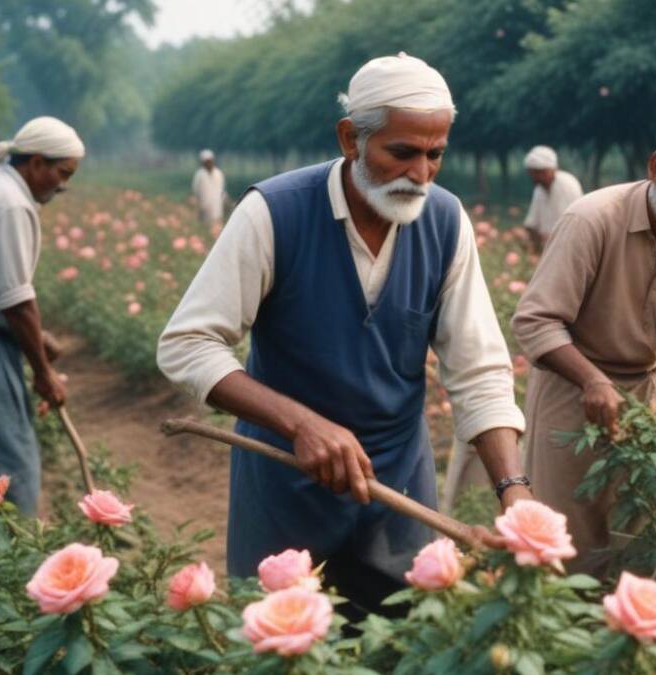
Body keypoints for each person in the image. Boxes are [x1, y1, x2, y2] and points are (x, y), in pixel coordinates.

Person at [157, 53, 530, 618]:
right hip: (287, 483)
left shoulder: (445, 222)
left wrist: (513, 489)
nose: (421, 173)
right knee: (287, 638)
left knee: (402, 638)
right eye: (402, 153)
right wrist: (300, 424)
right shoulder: (274, 213)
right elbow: (187, 344)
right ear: (351, 138)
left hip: (398, 489)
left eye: (435, 155)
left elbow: (478, 370)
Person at [511, 120, 656, 574]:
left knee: (638, 529)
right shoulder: (592, 218)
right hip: (570, 387)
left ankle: (622, 615)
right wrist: (592, 380)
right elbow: (536, 320)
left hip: (645, 390)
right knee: (565, 531)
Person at [0, 116, 84, 515]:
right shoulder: (10, 204)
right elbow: (15, 301)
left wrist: (36, 338)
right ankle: (0, 549)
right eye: (63, 173)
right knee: (3, 467)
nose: (63, 186)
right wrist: (43, 372)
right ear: (37, 162)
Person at [521, 145, 583, 254]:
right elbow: (531, 224)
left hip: (569, 246)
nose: (534, 176)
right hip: (549, 246)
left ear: (550, 170)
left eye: (538, 172)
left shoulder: (566, 185)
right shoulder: (540, 189)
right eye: (533, 173)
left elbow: (567, 227)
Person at [191, 149, 227, 228]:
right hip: (204, 208)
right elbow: (196, 191)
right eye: (206, 162)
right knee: (205, 227)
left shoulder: (219, 173)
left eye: (210, 161)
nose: (209, 163)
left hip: (217, 207)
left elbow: (222, 191)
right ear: (203, 162)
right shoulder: (199, 174)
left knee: (217, 227)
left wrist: (224, 203)